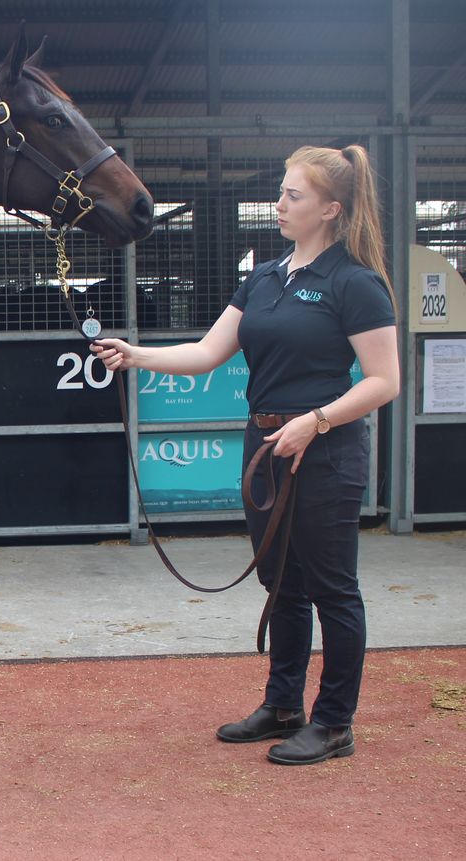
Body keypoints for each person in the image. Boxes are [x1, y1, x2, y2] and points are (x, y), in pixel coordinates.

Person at [91, 145, 400, 765]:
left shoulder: (355, 283)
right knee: (279, 580)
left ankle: (334, 722)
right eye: (282, 192)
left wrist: (316, 422)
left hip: (326, 451)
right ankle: (283, 705)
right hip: (263, 443)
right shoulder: (264, 277)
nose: (280, 204)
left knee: (333, 589)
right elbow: (208, 352)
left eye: (294, 196)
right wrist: (136, 355)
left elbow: (383, 380)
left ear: (331, 209)